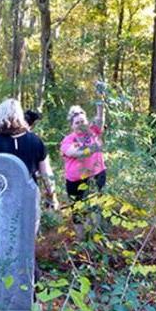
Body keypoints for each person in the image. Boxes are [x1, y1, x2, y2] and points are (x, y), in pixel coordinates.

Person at [60, 83, 107, 230]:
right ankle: (81, 242)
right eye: (77, 122)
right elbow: (76, 152)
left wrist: (100, 96)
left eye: (83, 121)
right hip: (76, 181)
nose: (81, 124)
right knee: (78, 212)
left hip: (97, 174)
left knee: (96, 207)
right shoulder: (68, 140)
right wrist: (95, 147)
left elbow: (100, 117)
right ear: (72, 125)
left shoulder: (93, 131)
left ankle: (95, 237)